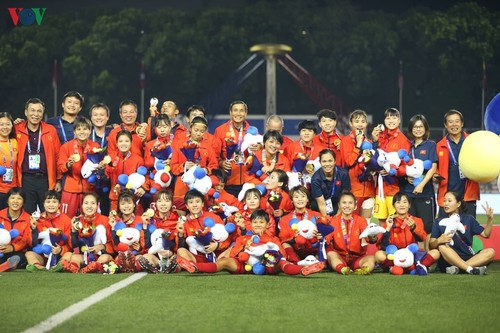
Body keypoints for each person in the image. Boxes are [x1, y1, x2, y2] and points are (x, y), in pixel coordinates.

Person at [176, 209, 326, 276]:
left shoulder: (273, 239)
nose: (258, 225)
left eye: (261, 222)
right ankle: (196, 268)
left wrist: (271, 256)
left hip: (267, 267)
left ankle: (302, 271)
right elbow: (234, 254)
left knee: (281, 263)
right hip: (246, 265)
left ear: (267, 224)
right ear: (251, 224)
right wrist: (242, 252)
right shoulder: (243, 238)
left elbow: (282, 254)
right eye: (255, 222)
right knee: (225, 262)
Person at [430, 191, 495, 275]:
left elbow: (486, 234)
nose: (446, 204)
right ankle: (469, 269)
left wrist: (490, 220)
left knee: (490, 252)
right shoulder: (438, 221)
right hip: (448, 260)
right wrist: (439, 240)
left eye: (449, 201)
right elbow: (431, 245)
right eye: (444, 201)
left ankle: (460, 268)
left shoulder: (469, 219)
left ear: (458, 203)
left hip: (468, 257)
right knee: (442, 247)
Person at [374, 192, 440, 274]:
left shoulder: (416, 220)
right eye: (398, 202)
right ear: (393, 206)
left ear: (409, 205)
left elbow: (422, 239)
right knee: (378, 255)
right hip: (396, 256)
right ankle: (411, 268)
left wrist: (413, 228)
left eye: (405, 202)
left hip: (412, 256)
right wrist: (388, 228)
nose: (402, 205)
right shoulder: (389, 221)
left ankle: (418, 266)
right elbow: (384, 247)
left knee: (435, 253)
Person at [15, 98, 62, 213]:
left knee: (48, 213)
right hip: (25, 180)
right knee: (26, 214)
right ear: (26, 112)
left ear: (43, 113)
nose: (35, 114)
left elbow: (58, 156)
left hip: (45, 179)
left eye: (39, 111)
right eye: (32, 110)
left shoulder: (50, 130)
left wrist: (59, 180)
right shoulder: (17, 129)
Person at [434, 110, 480, 218]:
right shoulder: (439, 146)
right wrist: (435, 176)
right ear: (445, 125)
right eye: (450, 122)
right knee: (445, 232)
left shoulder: (472, 141)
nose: (454, 124)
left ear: (462, 123)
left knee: (467, 232)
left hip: (468, 196)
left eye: (457, 121)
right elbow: (435, 168)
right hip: (447, 198)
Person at [401, 114, 438, 245]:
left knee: (427, 227)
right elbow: (402, 166)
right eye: (415, 127)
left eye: (421, 126)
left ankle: (428, 260)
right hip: (409, 194)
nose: (418, 129)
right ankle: (413, 260)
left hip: (425, 193)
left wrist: (422, 184)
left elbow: (433, 167)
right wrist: (406, 176)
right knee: (411, 227)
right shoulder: (407, 146)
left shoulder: (430, 145)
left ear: (425, 128)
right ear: (411, 129)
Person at [175, 189, 234, 269]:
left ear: (202, 204)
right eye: (191, 202)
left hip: (217, 256)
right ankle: (193, 267)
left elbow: (225, 237)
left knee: (232, 248)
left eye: (197, 202)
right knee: (180, 251)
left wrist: (217, 246)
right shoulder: (184, 221)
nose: (194, 205)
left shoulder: (213, 216)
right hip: (197, 256)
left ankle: (202, 266)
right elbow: (180, 246)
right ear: (187, 206)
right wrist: (180, 234)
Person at [56, 192, 113, 273]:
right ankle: (74, 268)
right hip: (84, 255)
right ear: (82, 206)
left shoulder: (105, 220)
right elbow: (74, 247)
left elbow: (112, 244)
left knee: (105, 258)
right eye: (86, 203)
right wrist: (73, 230)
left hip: (100, 255)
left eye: (93, 203)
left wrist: (102, 247)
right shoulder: (77, 221)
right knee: (74, 257)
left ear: (97, 205)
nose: (89, 206)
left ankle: (92, 267)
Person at [170, 116, 219, 211]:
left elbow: (214, 166)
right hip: (182, 184)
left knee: (199, 212)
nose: (198, 133)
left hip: (200, 185)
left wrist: (205, 170)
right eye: (196, 130)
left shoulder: (208, 147)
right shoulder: (180, 144)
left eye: (201, 131)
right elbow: (173, 167)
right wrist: (184, 167)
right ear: (190, 128)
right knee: (180, 213)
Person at [371, 108, 411, 222]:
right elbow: (374, 156)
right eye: (388, 118)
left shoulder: (403, 140)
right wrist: (374, 140)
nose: (391, 120)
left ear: (399, 120)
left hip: (395, 189)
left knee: (396, 221)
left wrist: (392, 171)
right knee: (381, 221)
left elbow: (405, 165)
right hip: (380, 188)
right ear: (384, 121)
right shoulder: (380, 137)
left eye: (394, 117)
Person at [214, 100, 260, 198]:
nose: (238, 113)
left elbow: (260, 153)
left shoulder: (253, 131)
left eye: (241, 111)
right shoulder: (220, 130)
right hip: (228, 180)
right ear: (230, 112)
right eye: (235, 110)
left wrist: (259, 147)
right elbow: (214, 155)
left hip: (248, 180)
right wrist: (221, 163)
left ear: (246, 113)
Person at [57, 117, 100, 217]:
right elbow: (60, 168)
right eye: (79, 129)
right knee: (66, 218)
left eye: (85, 129)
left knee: (89, 219)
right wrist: (68, 164)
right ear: (74, 131)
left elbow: (99, 170)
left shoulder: (95, 147)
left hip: (89, 190)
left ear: (90, 131)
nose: (82, 132)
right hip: (70, 189)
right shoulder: (66, 147)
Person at [325, 192, 376, 275]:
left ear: (355, 206)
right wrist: (322, 236)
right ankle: (342, 269)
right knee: (331, 254)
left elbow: (368, 237)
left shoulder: (361, 220)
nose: (347, 206)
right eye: (344, 203)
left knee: (371, 258)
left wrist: (372, 237)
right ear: (339, 205)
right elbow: (326, 239)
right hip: (340, 257)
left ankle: (363, 270)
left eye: (350, 203)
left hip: (357, 259)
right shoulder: (333, 221)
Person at [340, 109, 375, 219]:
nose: (360, 124)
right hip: (354, 190)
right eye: (357, 121)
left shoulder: (370, 143)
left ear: (366, 124)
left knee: (365, 225)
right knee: (352, 224)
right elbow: (349, 161)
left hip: (369, 190)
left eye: (363, 121)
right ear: (351, 124)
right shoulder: (345, 141)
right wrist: (358, 145)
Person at [25, 190, 72, 272]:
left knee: (69, 255)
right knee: (29, 254)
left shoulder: (66, 220)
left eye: (54, 202)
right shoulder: (37, 219)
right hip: (43, 255)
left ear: (59, 204)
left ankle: (58, 267)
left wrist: (61, 250)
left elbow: (70, 244)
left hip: (60, 255)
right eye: (48, 202)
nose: (51, 205)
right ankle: (38, 267)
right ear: (43, 204)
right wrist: (33, 228)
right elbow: (31, 243)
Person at [135, 189, 180, 273]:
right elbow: (146, 245)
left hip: (169, 254)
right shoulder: (150, 219)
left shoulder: (176, 220)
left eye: (167, 201)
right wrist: (144, 225)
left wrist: (171, 253)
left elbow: (179, 242)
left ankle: (168, 265)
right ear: (155, 203)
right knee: (143, 258)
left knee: (177, 259)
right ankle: (160, 265)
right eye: (160, 201)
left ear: (171, 203)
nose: (163, 204)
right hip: (154, 254)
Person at [105, 130, 148, 212]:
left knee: (134, 223)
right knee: (115, 223)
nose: (123, 144)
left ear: (131, 143)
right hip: (115, 198)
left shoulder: (138, 159)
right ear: (116, 144)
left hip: (133, 199)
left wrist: (143, 188)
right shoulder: (111, 158)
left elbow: (146, 177)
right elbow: (106, 175)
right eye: (120, 141)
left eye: (127, 141)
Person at [279, 185, 323, 263]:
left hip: (314, 249)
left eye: (303, 196)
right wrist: (293, 238)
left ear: (307, 199)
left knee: (326, 245)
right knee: (285, 244)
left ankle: (318, 262)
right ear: (292, 200)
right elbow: (283, 239)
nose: (300, 199)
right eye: (296, 197)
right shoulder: (285, 219)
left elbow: (327, 236)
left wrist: (320, 235)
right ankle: (297, 263)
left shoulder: (316, 216)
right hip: (296, 251)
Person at [108, 190, 146, 273]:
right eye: (123, 204)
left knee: (139, 259)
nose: (126, 206)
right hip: (121, 255)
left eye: (129, 203)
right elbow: (114, 245)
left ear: (134, 205)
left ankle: (130, 266)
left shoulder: (140, 220)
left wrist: (140, 248)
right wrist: (113, 228)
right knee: (119, 259)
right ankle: (127, 266)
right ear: (119, 207)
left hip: (136, 254)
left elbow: (146, 240)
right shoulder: (116, 222)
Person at [89, 103, 113, 215]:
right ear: (91, 117)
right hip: (89, 180)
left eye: (102, 115)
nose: (99, 117)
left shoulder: (113, 134)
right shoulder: (86, 134)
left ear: (107, 117)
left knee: (106, 213)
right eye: (95, 115)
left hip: (108, 181)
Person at [311, 149, 351, 217]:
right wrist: (327, 220)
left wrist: (337, 216)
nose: (327, 164)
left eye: (330, 161)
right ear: (320, 162)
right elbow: (321, 204)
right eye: (324, 161)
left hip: (339, 205)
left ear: (335, 161)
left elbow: (345, 198)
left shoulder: (343, 174)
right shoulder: (315, 179)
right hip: (320, 206)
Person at [0, 188, 31, 272]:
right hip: (1, 250)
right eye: (12, 198)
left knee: (19, 258)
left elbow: (26, 239)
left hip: (17, 251)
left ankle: (8, 265)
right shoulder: (0, 215)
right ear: (7, 201)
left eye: (19, 198)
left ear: (23, 202)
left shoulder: (28, 219)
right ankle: (6, 265)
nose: (15, 201)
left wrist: (13, 247)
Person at [283, 120, 320, 189]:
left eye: (310, 131)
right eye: (304, 130)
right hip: (295, 184)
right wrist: (293, 175)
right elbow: (285, 167)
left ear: (314, 134)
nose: (306, 133)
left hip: (315, 185)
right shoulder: (290, 148)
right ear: (300, 132)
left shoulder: (320, 150)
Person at [0, 112, 19, 210]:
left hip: (13, 190)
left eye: (8, 124)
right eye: (1, 124)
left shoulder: (15, 142)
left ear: (12, 125)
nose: (5, 127)